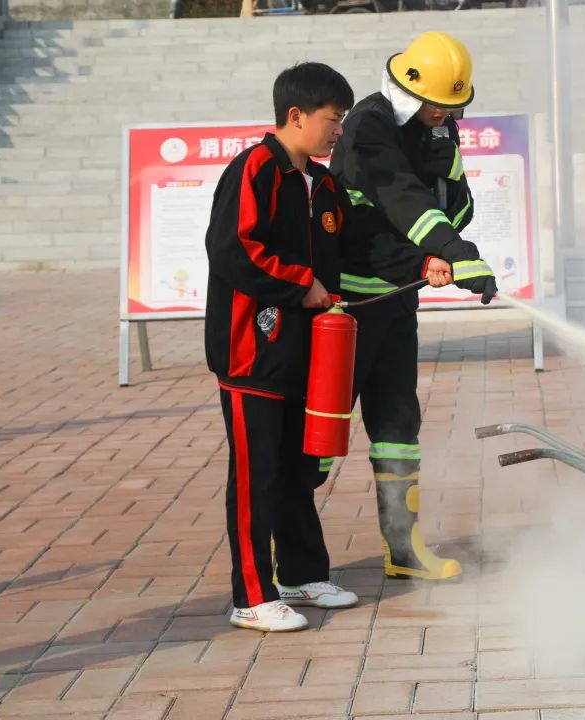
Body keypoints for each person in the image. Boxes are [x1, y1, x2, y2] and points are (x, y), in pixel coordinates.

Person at [204, 62, 444, 632]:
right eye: (332, 120)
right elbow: (233, 248)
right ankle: (253, 596)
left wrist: (425, 261)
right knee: (255, 474)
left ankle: (302, 574)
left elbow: (363, 243)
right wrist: (299, 284)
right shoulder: (254, 171)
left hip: (301, 354)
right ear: (295, 116)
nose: (339, 131)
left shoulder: (322, 183)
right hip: (251, 355)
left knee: (293, 470)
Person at [328, 31, 497, 582]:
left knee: (398, 422)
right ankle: (292, 555)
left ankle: (403, 550)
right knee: (321, 435)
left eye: (451, 109)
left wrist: (443, 244)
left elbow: (452, 205)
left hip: (397, 301)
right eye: (434, 107)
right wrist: (445, 253)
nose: (441, 116)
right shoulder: (367, 126)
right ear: (408, 91)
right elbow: (400, 197)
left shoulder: (438, 132)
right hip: (346, 308)